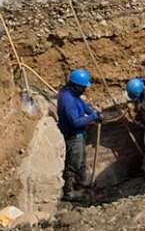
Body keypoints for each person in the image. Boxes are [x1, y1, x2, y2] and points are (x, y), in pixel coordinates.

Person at [56, 68, 99, 202]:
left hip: (79, 135)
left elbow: (81, 104)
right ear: (75, 86)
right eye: (83, 87)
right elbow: (75, 122)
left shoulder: (72, 94)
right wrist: (92, 117)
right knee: (73, 164)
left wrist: (93, 112)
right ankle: (69, 192)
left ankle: (81, 183)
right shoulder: (67, 100)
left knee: (80, 161)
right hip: (74, 136)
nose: (85, 90)